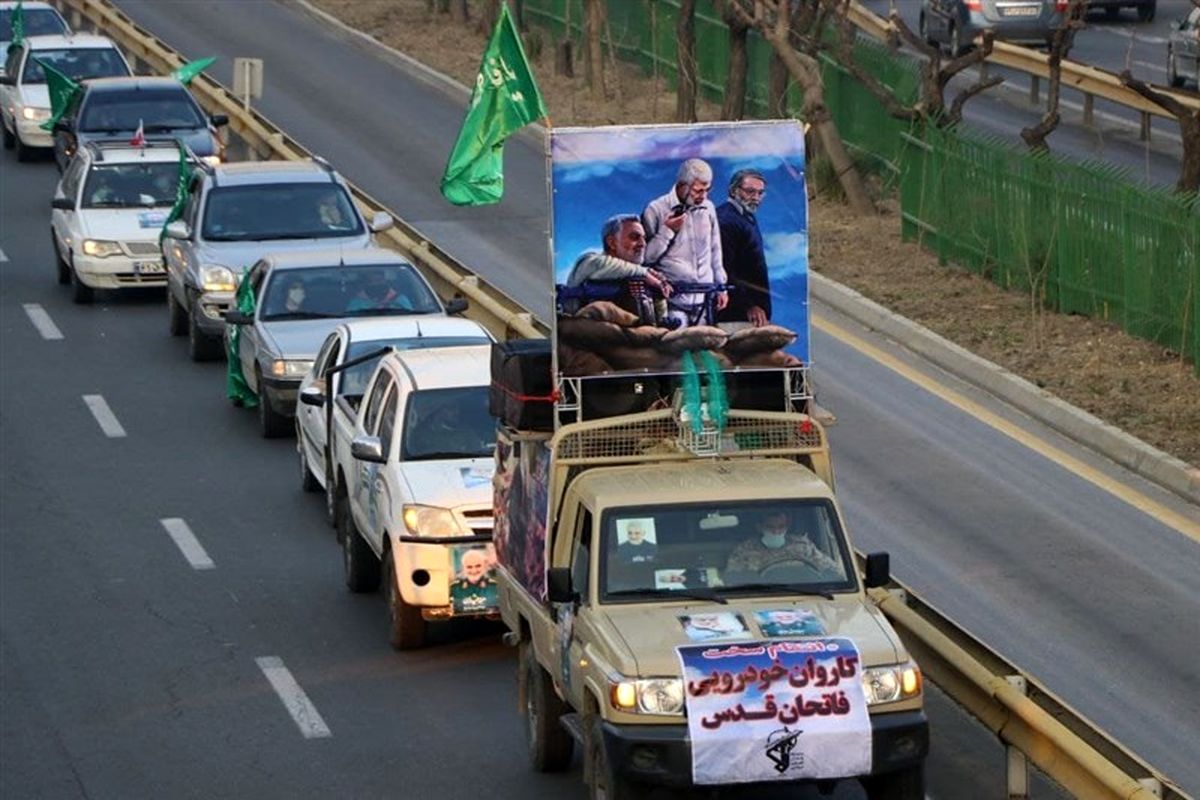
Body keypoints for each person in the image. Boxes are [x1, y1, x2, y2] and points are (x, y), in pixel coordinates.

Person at [641, 158, 727, 328]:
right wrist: (668, 231)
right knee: (677, 350)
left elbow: (715, 250)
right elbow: (645, 259)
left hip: (705, 299)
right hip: (671, 302)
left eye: (707, 190)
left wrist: (721, 286)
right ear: (682, 185)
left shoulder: (708, 208)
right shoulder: (655, 209)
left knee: (704, 349)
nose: (703, 196)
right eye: (698, 191)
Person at [563, 214, 671, 321]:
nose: (643, 244)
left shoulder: (641, 277)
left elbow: (658, 321)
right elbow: (597, 263)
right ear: (612, 243)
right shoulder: (590, 263)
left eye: (644, 238)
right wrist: (646, 273)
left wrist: (659, 295)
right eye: (634, 237)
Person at [716, 169, 771, 329]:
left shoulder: (745, 216)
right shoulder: (726, 221)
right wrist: (747, 305)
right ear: (734, 191)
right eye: (750, 191)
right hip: (734, 315)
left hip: (749, 314)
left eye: (760, 193)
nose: (756, 198)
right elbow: (723, 270)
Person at [725, 511, 840, 575]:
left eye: (781, 527)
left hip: (804, 595)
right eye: (770, 527)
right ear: (760, 527)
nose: (776, 532)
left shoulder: (803, 546)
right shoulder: (745, 551)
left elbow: (832, 570)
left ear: (787, 527)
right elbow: (733, 579)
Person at [346, 271, 414, 313]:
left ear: (386, 281)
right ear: (366, 283)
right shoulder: (357, 303)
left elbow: (411, 318)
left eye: (379, 280)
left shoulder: (400, 300)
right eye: (372, 281)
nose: (376, 284)